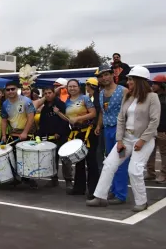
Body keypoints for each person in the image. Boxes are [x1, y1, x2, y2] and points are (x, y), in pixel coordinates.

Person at [87, 66, 160, 212]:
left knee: (135, 170)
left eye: (131, 79)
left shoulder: (152, 97)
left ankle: (142, 202)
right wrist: (119, 140)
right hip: (126, 138)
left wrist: (142, 140)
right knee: (109, 164)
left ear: (139, 81)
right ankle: (100, 197)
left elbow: (154, 121)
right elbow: (121, 119)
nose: (128, 81)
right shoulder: (128, 96)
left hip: (144, 140)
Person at [94, 64, 129, 202]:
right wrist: (98, 125)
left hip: (120, 130)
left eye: (106, 74)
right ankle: (114, 191)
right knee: (110, 162)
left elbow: (130, 111)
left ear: (112, 74)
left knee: (120, 162)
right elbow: (103, 112)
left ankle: (121, 194)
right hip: (107, 130)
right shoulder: (101, 93)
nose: (104, 78)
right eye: (101, 76)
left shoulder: (123, 91)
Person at [58, 79, 98, 198]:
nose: (72, 88)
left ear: (79, 87)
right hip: (75, 133)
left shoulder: (85, 99)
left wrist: (79, 119)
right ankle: (79, 188)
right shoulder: (67, 101)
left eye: (74, 86)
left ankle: (93, 190)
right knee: (79, 162)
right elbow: (68, 118)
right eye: (70, 86)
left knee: (91, 162)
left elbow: (93, 113)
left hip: (88, 133)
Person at [0, 81, 37, 188]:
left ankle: (28, 178)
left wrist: (25, 132)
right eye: (8, 90)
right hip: (13, 134)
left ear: (17, 89)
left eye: (13, 89)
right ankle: (15, 178)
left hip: (27, 134)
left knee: (27, 157)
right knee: (13, 157)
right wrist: (3, 134)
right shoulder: (5, 103)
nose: (10, 91)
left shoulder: (26, 101)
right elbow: (4, 120)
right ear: (5, 91)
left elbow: (31, 117)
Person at [38, 87, 72, 188]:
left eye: (49, 93)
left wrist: (59, 132)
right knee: (51, 159)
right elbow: (42, 123)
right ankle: (54, 179)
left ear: (54, 93)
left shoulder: (60, 104)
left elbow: (65, 119)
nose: (48, 95)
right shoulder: (44, 108)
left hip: (62, 136)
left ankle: (68, 181)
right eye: (45, 93)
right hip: (49, 138)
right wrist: (40, 135)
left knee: (65, 159)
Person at [147, 74, 166, 183]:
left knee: (163, 153)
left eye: (155, 84)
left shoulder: (163, 99)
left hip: (162, 130)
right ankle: (150, 173)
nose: (152, 85)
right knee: (150, 152)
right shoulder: (153, 96)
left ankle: (164, 175)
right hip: (151, 129)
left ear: (162, 85)